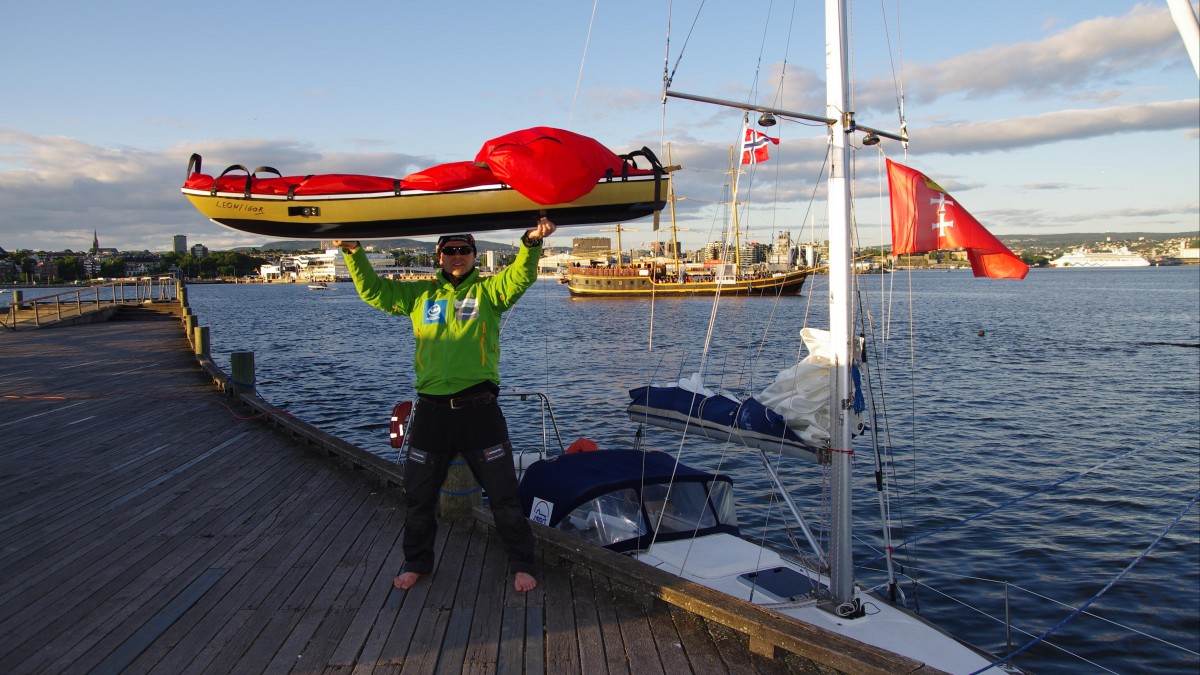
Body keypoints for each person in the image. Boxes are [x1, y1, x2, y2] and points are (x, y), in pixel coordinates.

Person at [332, 217, 556, 594]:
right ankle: (417, 561)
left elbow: (520, 277)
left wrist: (531, 242)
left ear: (474, 255)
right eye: (449, 250)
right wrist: (353, 251)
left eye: (464, 250)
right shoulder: (419, 295)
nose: (457, 256)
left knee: (502, 494)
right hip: (432, 413)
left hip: (480, 411)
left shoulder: (490, 293)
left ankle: (521, 562)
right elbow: (373, 292)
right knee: (419, 496)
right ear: (438, 256)